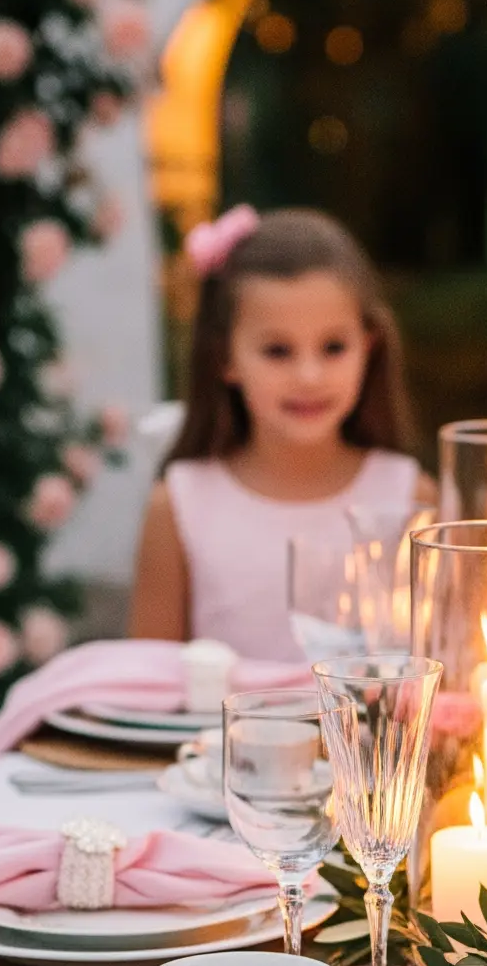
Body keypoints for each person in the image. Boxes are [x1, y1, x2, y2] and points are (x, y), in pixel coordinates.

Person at [129, 204, 427, 655]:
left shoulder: (414, 501)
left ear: (369, 346)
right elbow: (145, 687)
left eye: (333, 347)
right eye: (277, 350)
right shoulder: (176, 507)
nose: (309, 375)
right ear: (225, 357)